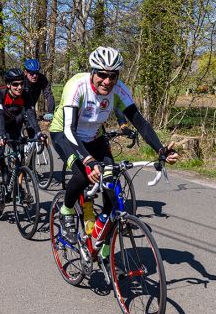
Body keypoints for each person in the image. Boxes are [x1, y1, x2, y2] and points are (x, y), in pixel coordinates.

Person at [49, 46, 179, 246]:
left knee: (112, 183)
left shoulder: (119, 90)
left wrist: (160, 149)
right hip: (65, 135)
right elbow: (69, 129)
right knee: (84, 174)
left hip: (94, 136)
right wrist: (88, 160)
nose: (107, 81)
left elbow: (140, 122)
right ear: (92, 72)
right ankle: (66, 210)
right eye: (102, 75)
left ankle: (103, 235)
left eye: (113, 76)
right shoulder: (77, 85)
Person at [0, 68, 40, 203]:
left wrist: (38, 132)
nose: (19, 87)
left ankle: (18, 188)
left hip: (12, 126)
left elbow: (31, 115)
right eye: (15, 84)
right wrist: (2, 135)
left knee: (19, 156)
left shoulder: (25, 95)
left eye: (22, 83)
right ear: (8, 85)